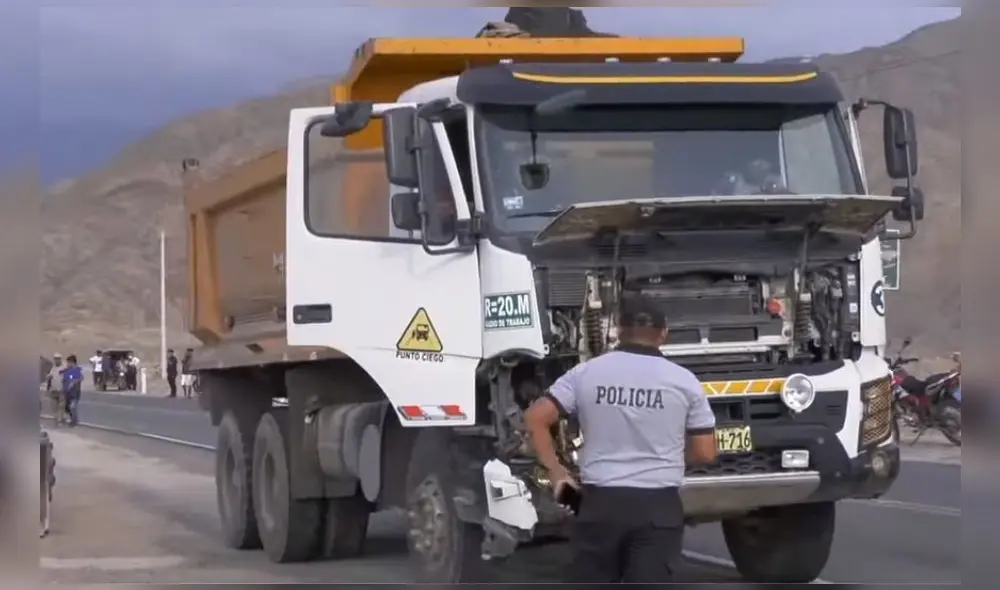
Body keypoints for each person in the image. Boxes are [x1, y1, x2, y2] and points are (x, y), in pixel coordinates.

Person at [523, 294, 719, 583]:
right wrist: (668, 458)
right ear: (664, 333)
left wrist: (557, 474)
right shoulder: (685, 381)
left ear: (617, 329)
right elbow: (705, 452)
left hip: (599, 504)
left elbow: (535, 418)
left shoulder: (586, 373)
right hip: (658, 508)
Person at [61, 355, 84, 427]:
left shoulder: (77, 370)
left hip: (75, 393)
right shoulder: (67, 370)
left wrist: (74, 382)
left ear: (72, 362)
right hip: (67, 393)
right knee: (67, 408)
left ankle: (74, 422)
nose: (67, 364)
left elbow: (81, 378)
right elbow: (63, 378)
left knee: (72, 407)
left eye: (68, 362)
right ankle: (72, 420)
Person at [46, 353, 66, 426]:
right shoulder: (53, 368)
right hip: (53, 390)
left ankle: (60, 420)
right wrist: (48, 377)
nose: (56, 360)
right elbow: (51, 376)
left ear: (60, 359)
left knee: (61, 406)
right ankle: (56, 419)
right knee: (54, 407)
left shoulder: (64, 367)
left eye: (58, 359)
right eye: (55, 359)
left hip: (61, 390)